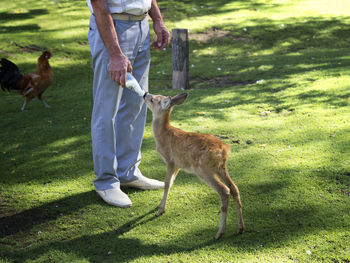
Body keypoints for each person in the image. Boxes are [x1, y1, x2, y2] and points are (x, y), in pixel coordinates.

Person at [87, 0, 170, 207]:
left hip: (141, 26)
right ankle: (106, 181)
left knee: (136, 104)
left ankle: (127, 172)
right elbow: (99, 3)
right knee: (106, 111)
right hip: (112, 28)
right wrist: (115, 54)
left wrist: (157, 20)